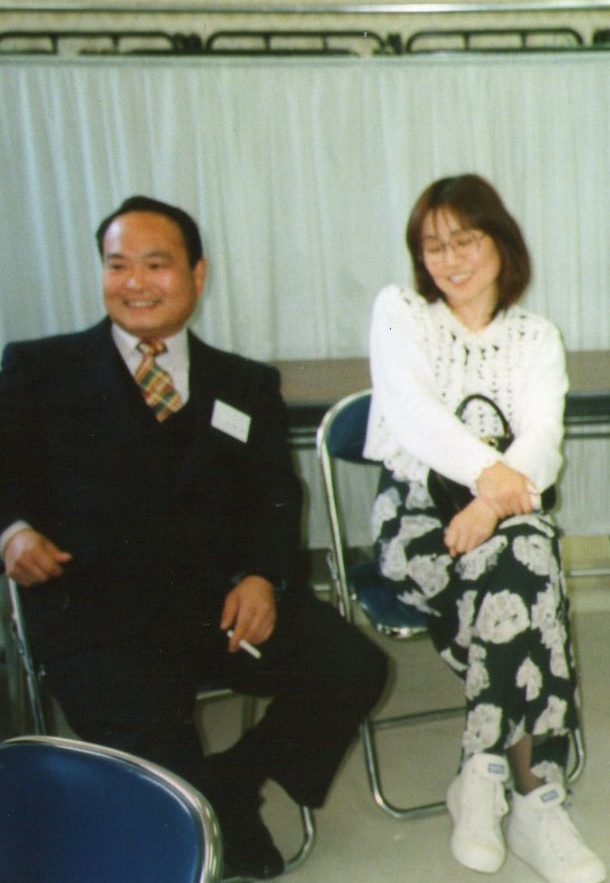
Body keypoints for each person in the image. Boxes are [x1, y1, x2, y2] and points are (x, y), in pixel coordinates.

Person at [0, 196, 389, 880]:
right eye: (117, 265)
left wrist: (262, 577)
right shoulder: (42, 369)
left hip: (218, 607)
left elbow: (276, 496)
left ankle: (232, 781)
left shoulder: (245, 383)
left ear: (197, 275)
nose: (135, 282)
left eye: (156, 264)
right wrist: (13, 532)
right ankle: (212, 802)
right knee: (165, 787)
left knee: (353, 666)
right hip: (101, 619)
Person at [365, 174, 606, 883]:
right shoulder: (401, 311)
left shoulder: (536, 337)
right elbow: (414, 416)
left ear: (501, 242)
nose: (450, 258)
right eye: (433, 245)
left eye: (465, 239)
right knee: (531, 577)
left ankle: (483, 773)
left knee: (522, 558)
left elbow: (543, 443)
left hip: (502, 516)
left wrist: (488, 505)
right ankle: (537, 795)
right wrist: (490, 484)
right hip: (417, 516)